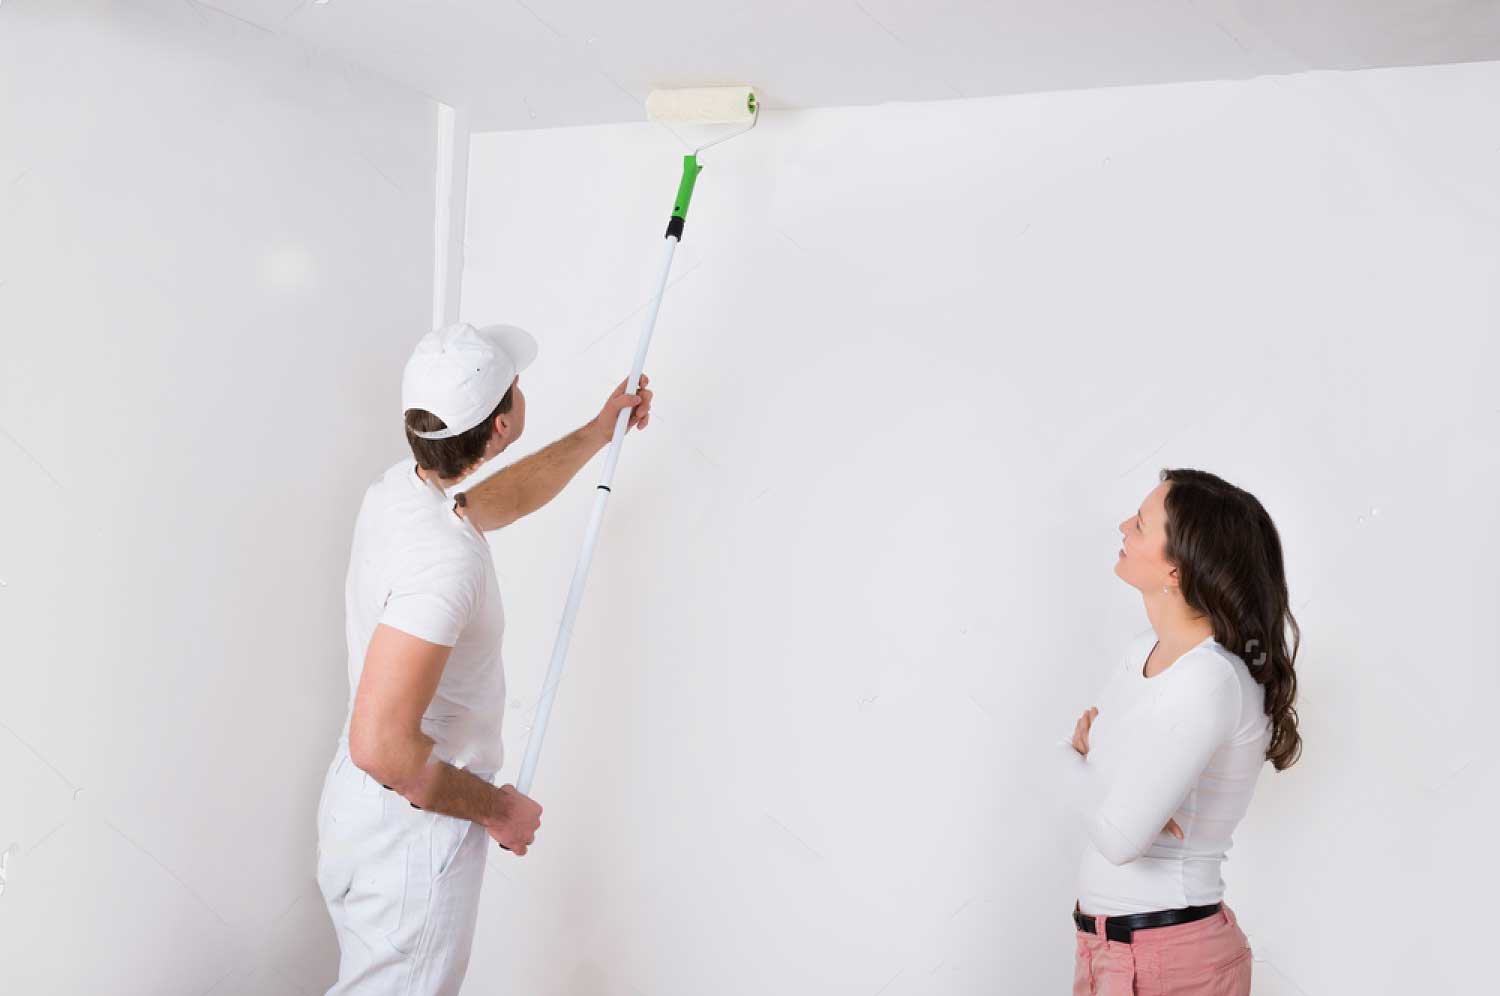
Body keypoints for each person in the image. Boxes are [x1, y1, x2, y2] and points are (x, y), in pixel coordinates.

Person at [315, 322, 653, 994]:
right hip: (411, 836)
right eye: (516, 390)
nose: (523, 392)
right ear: (499, 428)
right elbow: (382, 745)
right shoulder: (444, 562)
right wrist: (497, 808)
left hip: (365, 818)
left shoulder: (398, 496)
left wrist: (595, 433)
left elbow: (480, 505)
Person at [1059, 468, 1301, 996]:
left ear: (1177, 568)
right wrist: (1108, 786)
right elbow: (1118, 815)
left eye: (1141, 524)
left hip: (1168, 962)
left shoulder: (1209, 680)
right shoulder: (1140, 654)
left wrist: (1074, 761)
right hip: (1107, 953)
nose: (1123, 524)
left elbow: (1120, 837)